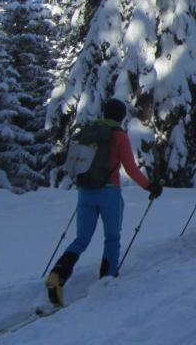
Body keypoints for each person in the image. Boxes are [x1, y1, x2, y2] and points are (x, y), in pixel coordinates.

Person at [46, 98, 162, 306]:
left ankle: (58, 275)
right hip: (109, 193)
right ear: (120, 116)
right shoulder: (119, 136)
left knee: (81, 240)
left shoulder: (89, 130)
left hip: (85, 192)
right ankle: (106, 281)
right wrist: (149, 186)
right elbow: (131, 169)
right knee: (112, 238)